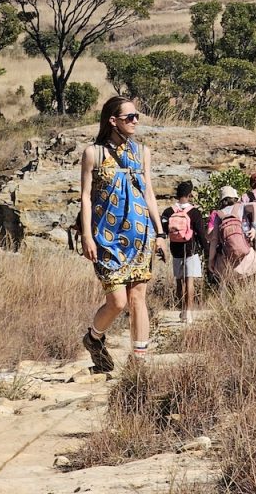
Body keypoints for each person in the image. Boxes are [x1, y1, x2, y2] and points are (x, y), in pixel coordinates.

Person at [79, 95, 167, 370]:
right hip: (106, 238)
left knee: (138, 297)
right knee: (117, 301)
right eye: (130, 117)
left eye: (137, 116)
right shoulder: (94, 153)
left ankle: (138, 365)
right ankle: (94, 338)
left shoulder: (142, 153)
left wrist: (160, 233)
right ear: (112, 121)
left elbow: (149, 192)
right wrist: (86, 236)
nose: (135, 121)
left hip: (141, 237)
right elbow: (85, 197)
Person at [161, 181, 208, 324]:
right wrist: (206, 250)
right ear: (189, 195)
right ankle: (189, 313)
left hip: (175, 250)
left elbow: (163, 231)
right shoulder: (194, 212)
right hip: (191, 250)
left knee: (179, 282)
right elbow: (200, 234)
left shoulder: (168, 212)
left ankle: (181, 311)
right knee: (190, 281)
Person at [208, 185, 256, 282]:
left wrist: (211, 261)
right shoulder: (241, 206)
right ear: (234, 197)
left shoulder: (219, 214)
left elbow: (214, 241)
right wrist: (254, 228)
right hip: (245, 252)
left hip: (227, 257)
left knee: (228, 285)